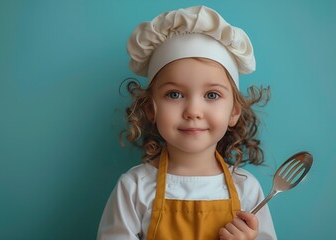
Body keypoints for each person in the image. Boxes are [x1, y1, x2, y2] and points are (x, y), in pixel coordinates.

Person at [97, 5, 277, 240]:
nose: (193, 111)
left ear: (233, 111)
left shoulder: (248, 189)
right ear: (151, 108)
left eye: (212, 95)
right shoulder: (134, 188)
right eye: (174, 94)